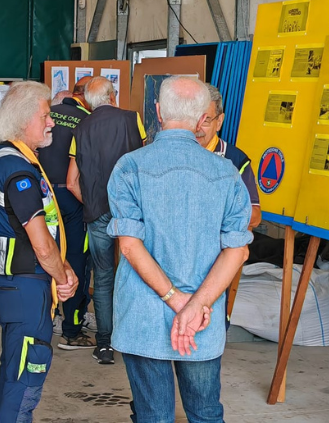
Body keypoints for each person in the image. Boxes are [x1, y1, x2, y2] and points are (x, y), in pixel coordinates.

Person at [107, 76, 252, 422]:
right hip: (202, 321)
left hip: (143, 316)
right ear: (204, 119)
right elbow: (238, 250)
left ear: (157, 112)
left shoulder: (130, 166)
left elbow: (128, 246)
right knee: (205, 413)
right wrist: (195, 306)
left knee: (153, 414)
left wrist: (175, 300)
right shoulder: (227, 173)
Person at [0, 81, 78, 422]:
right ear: (23, 119)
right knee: (25, 376)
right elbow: (38, 240)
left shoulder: (8, 158)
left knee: (14, 372)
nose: (51, 121)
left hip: (20, 284)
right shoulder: (17, 169)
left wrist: (61, 266)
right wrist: (62, 274)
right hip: (26, 286)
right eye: (46, 115)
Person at [67, 76, 146, 365]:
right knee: (137, 272)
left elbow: (72, 182)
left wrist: (93, 205)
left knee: (102, 276)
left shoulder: (81, 128)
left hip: (97, 213)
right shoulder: (132, 119)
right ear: (113, 96)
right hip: (131, 214)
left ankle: (104, 343)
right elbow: (144, 164)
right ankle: (134, 338)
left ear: (87, 101)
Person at [38, 76, 95, 349]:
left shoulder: (47, 115)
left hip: (40, 195)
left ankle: (44, 321)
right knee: (75, 258)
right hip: (72, 196)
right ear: (87, 97)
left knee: (43, 254)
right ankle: (72, 328)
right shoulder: (87, 121)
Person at [196, 84, 261, 230]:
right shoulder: (176, 155)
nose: (197, 127)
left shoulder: (235, 160)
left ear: (219, 122)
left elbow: (255, 216)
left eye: (205, 120)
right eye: (193, 119)